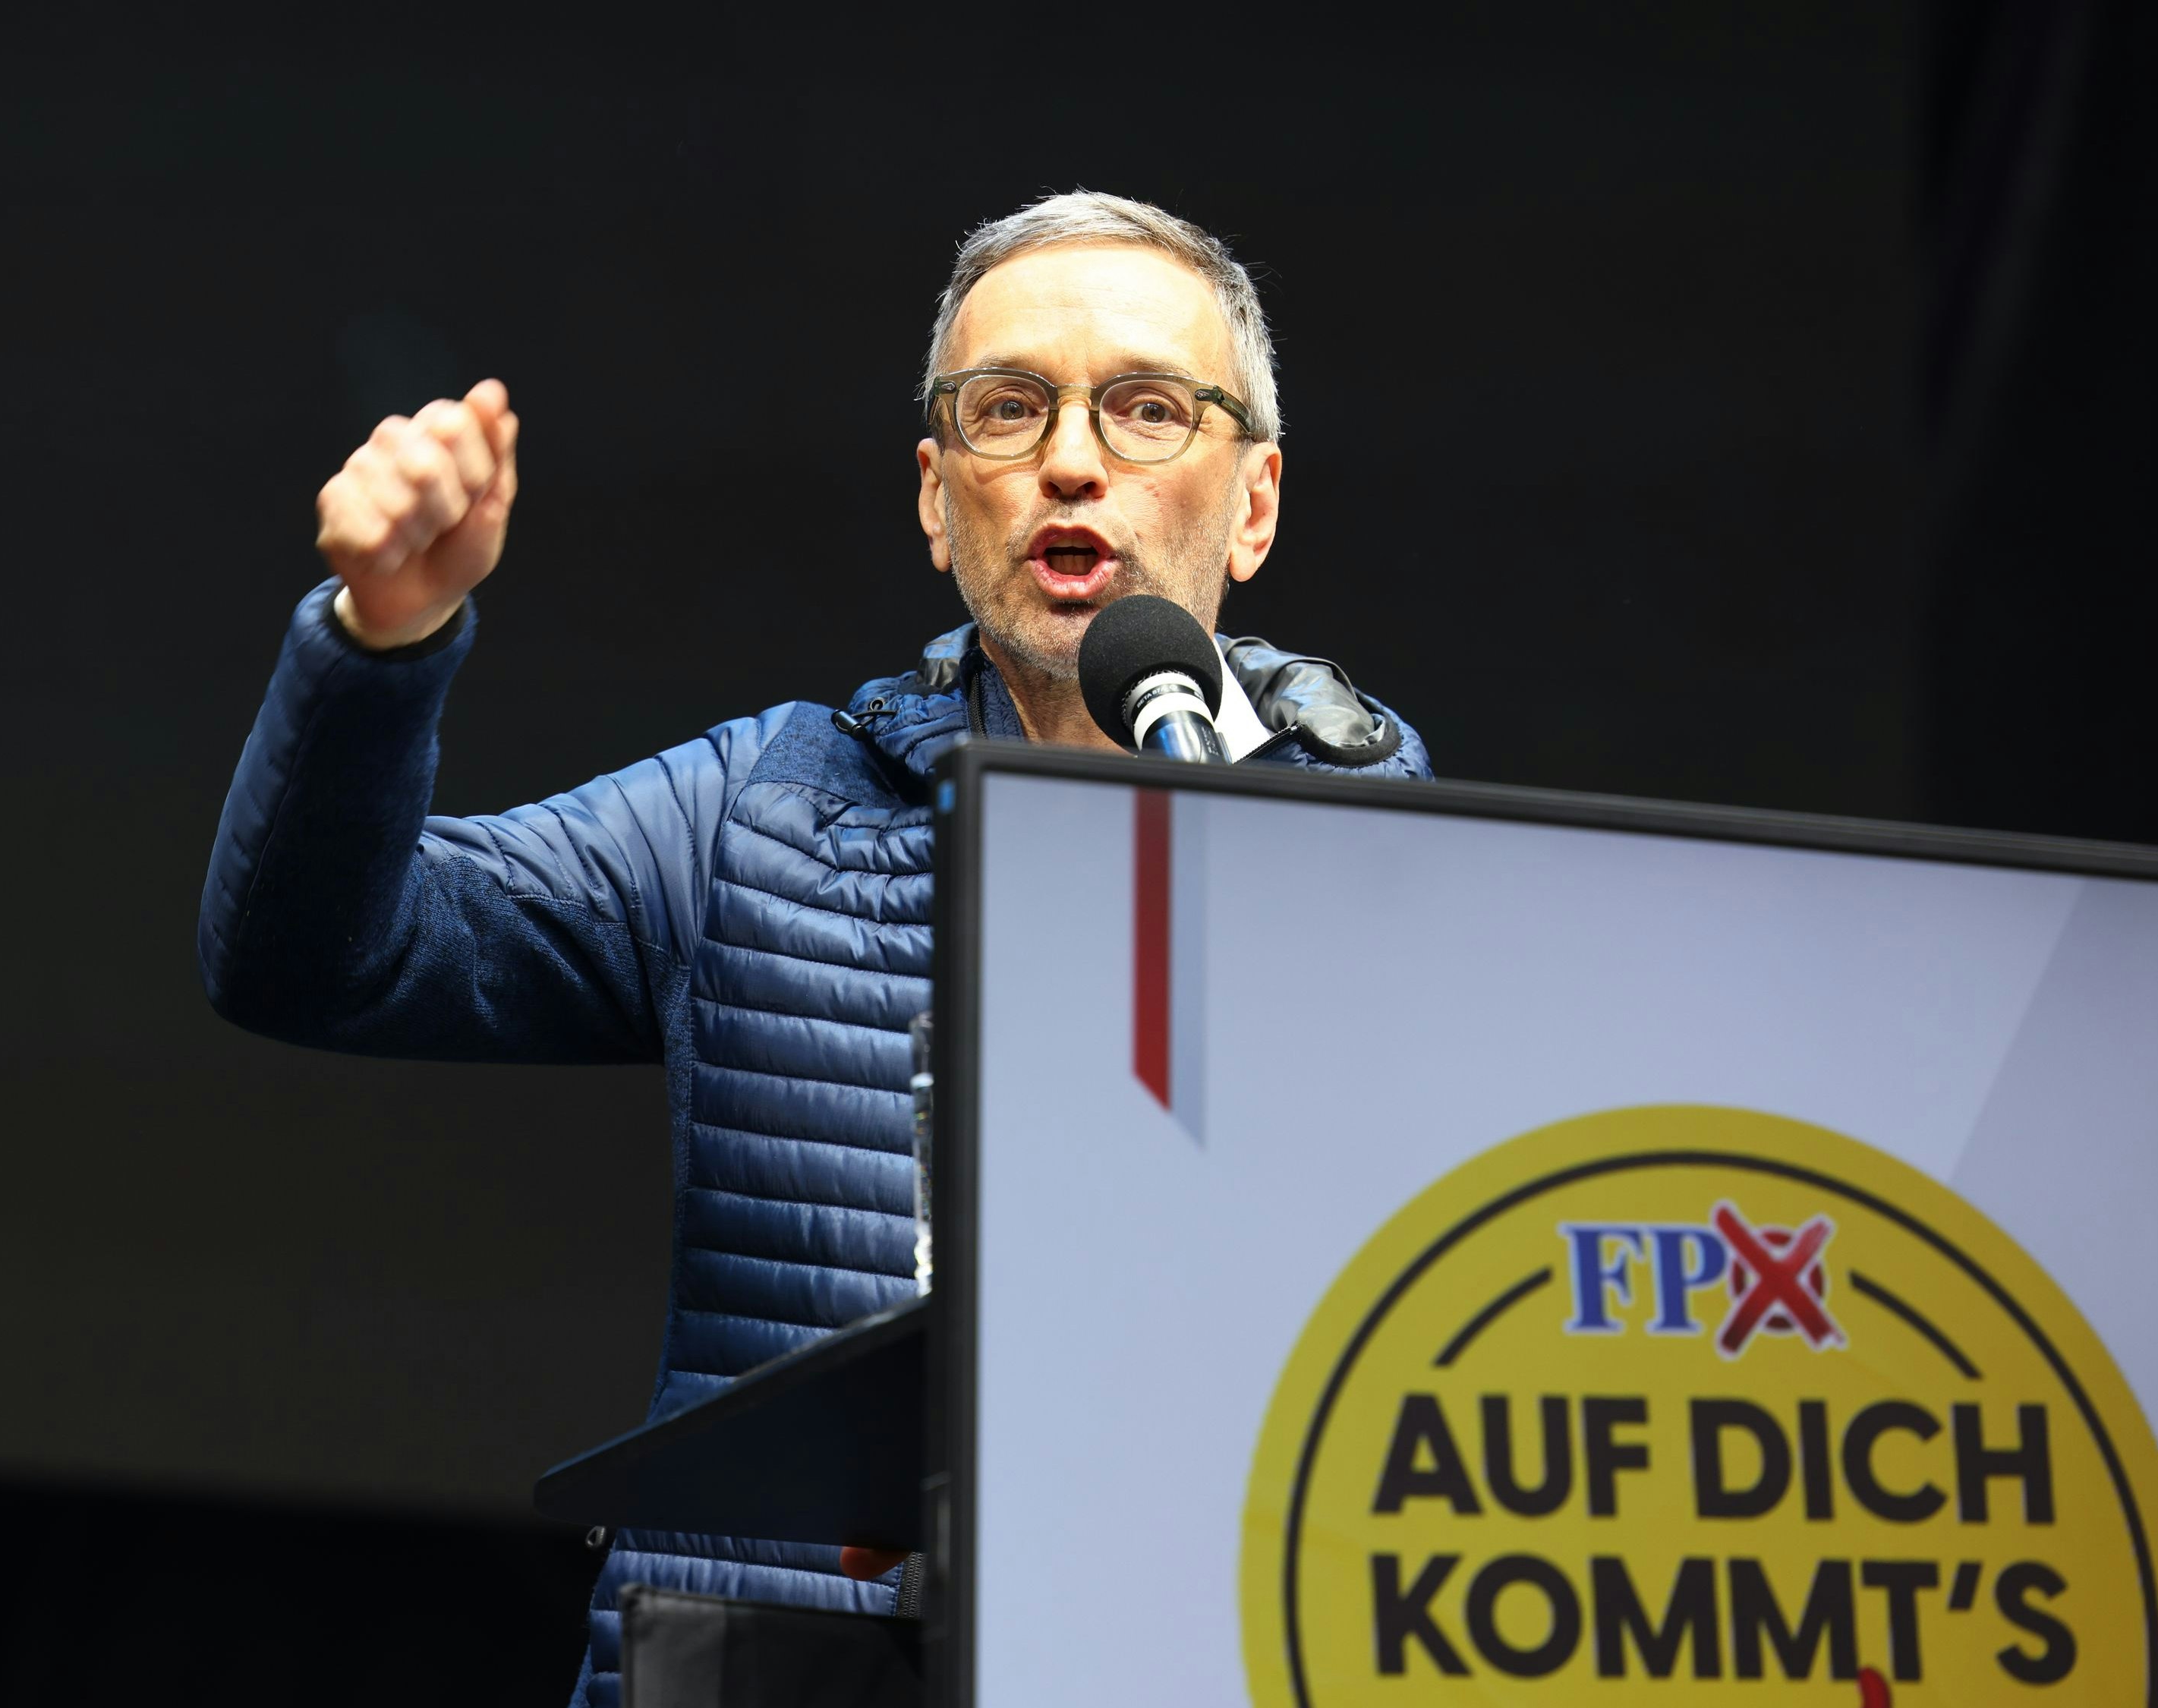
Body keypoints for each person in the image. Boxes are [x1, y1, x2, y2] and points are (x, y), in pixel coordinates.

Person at [197, 190, 1432, 1706]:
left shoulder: (1393, 859)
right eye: (1005, 409)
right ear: (934, 495)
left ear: (1251, 503)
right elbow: (317, 957)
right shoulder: (762, 815)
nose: (1066, 459)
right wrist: (380, 643)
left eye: (1145, 410)